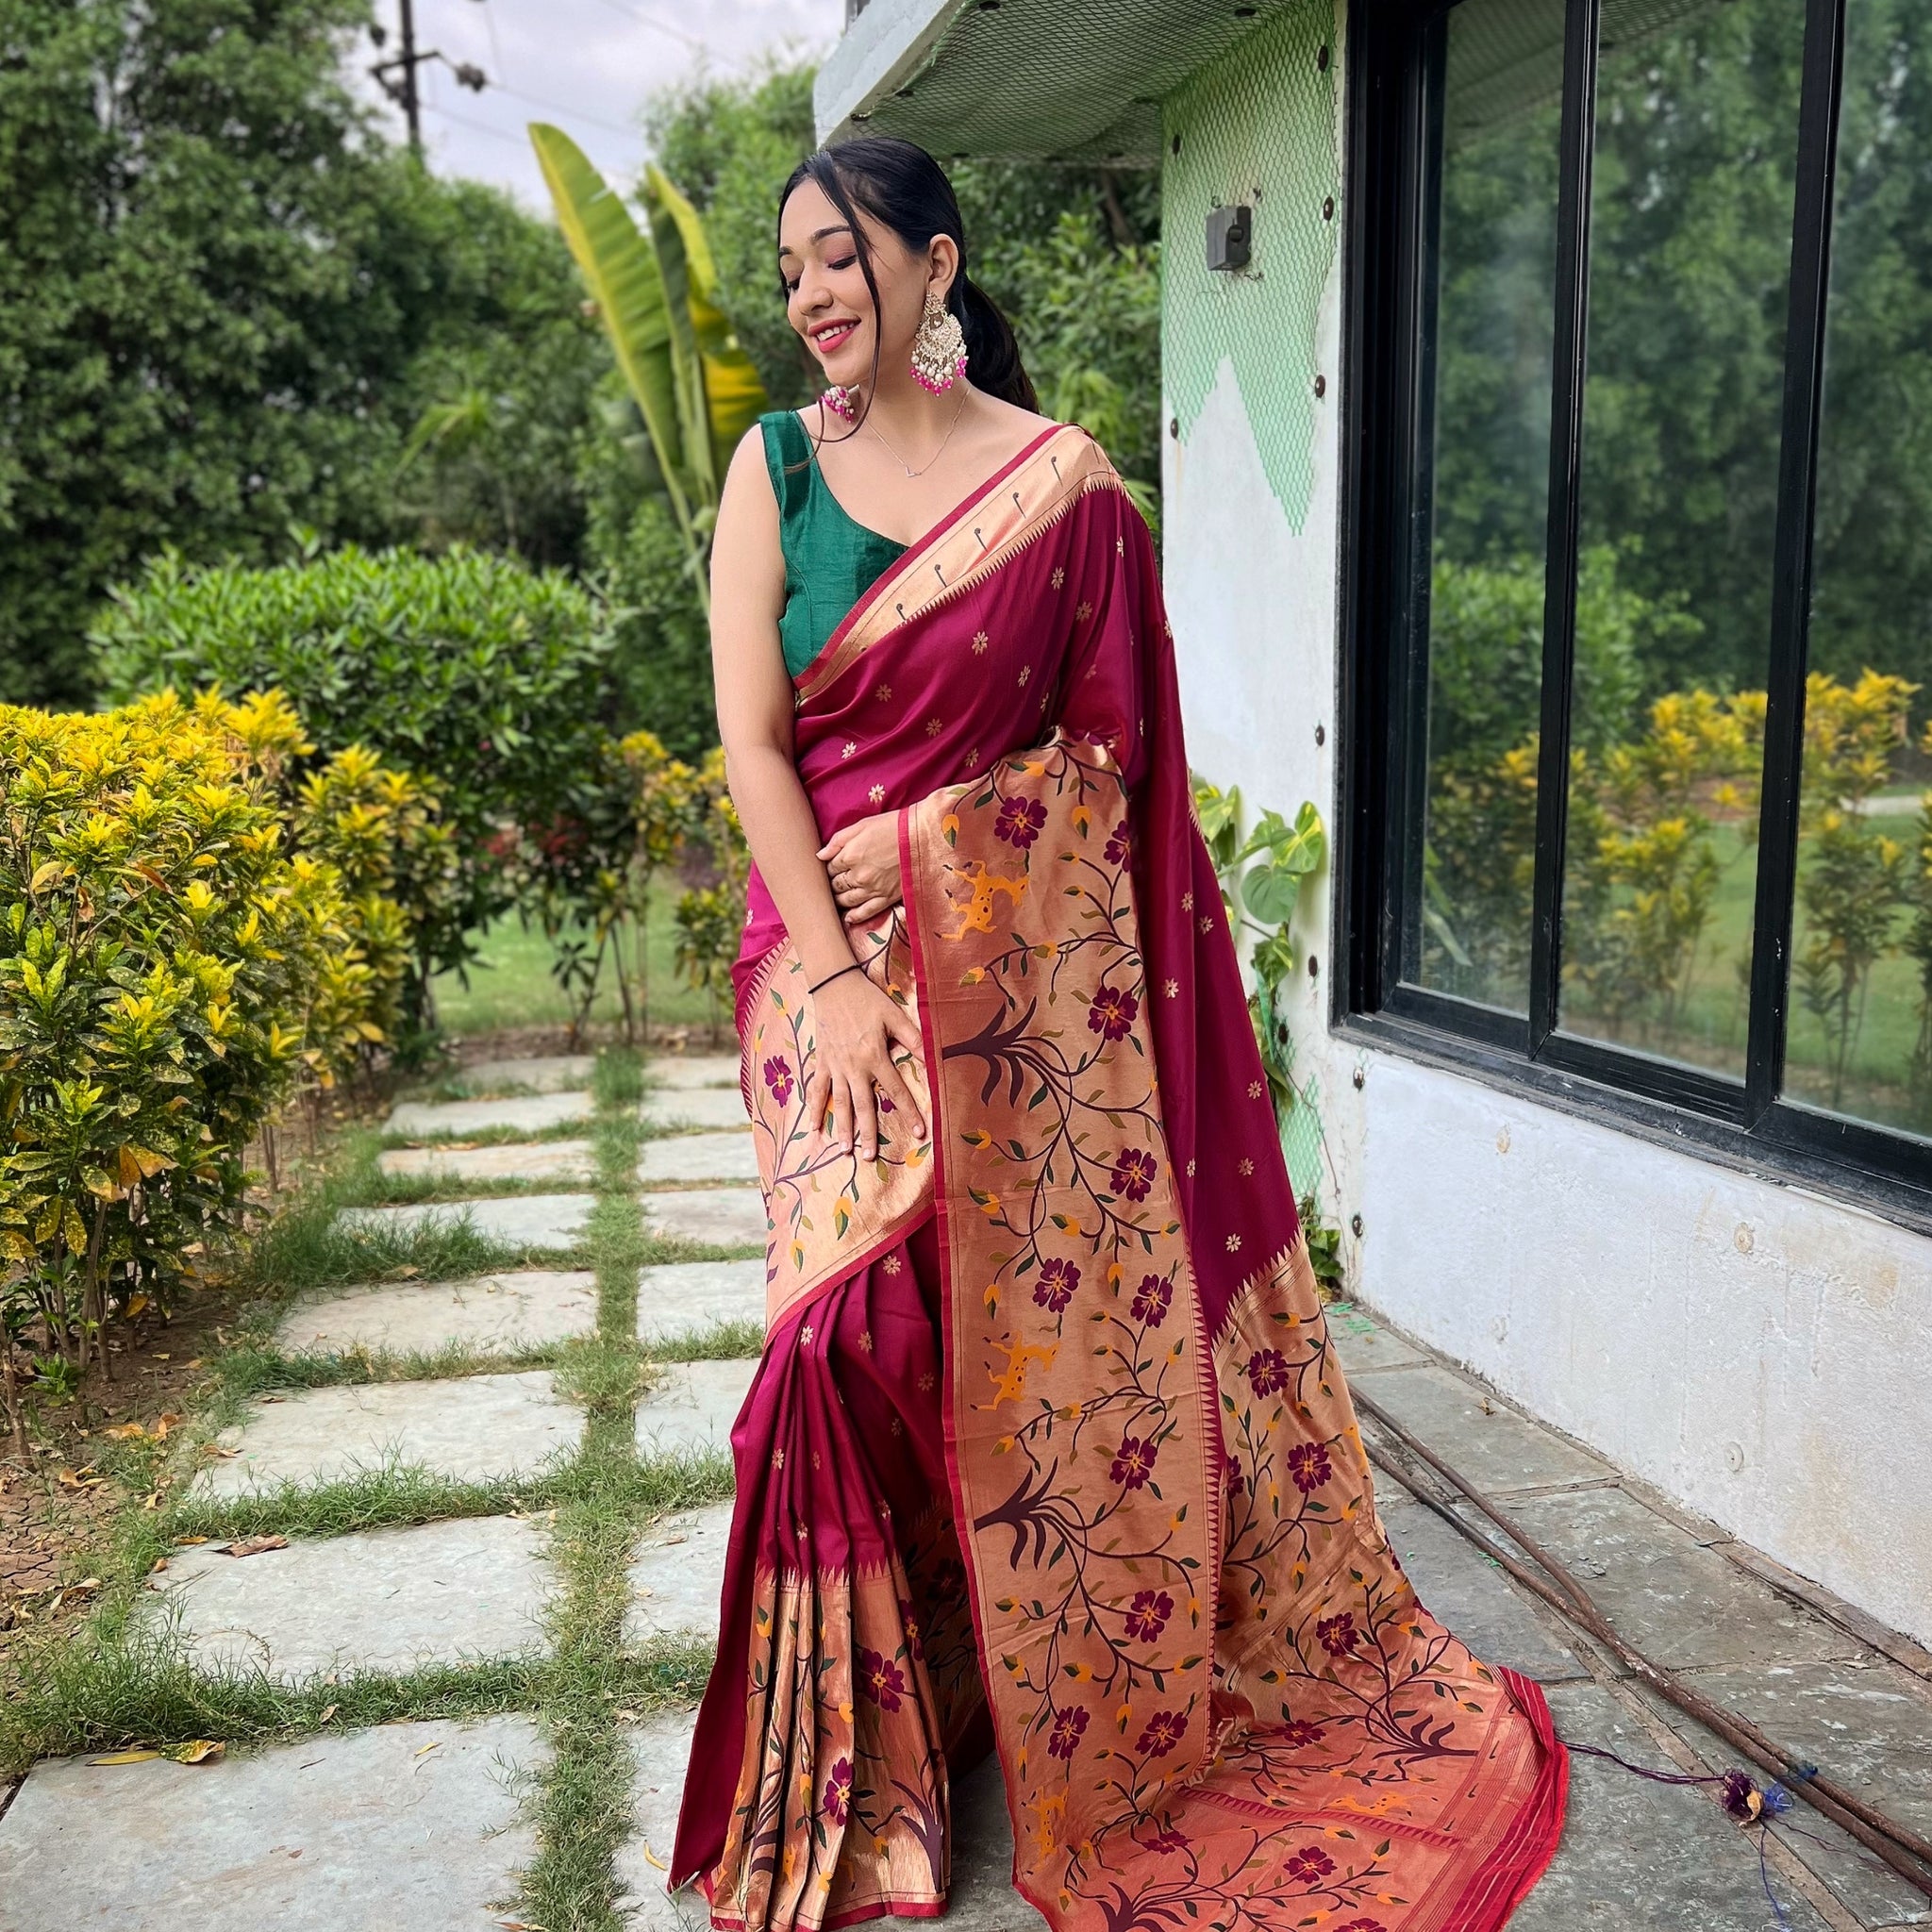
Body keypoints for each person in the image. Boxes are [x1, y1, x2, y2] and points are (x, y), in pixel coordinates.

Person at [672, 135, 1567, 1932]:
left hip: (1001, 975)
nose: (810, 297)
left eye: (837, 257)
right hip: (820, 968)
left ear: (933, 264)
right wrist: (842, 977)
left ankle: (1008, 1667)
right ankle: (864, 1756)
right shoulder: (777, 471)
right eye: (788, 271)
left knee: (977, 1325)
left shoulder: (1065, 491)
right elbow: (756, 742)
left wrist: (930, 859)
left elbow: (1105, 780)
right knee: (842, 1337)